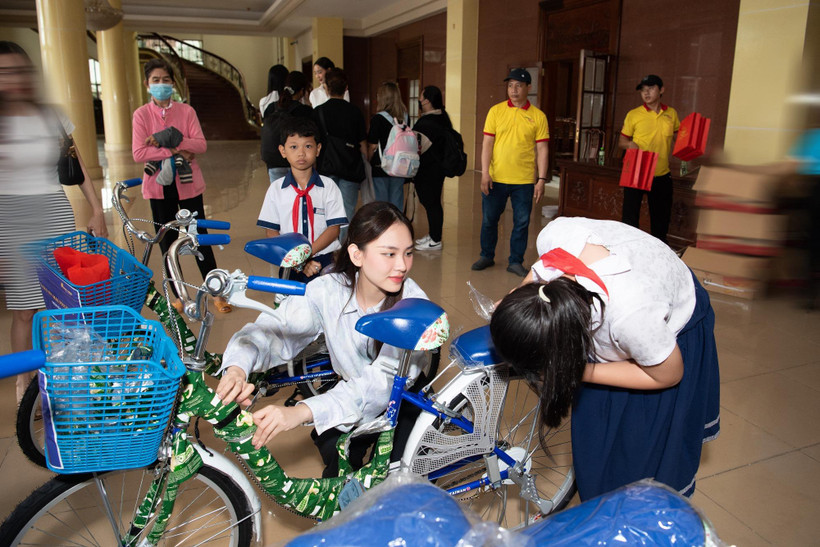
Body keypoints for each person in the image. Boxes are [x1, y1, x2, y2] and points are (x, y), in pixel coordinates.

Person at [489, 216, 720, 502]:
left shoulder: (632, 317)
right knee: (597, 438)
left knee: (635, 457)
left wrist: (578, 371)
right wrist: (517, 305)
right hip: (632, 295)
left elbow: (667, 374)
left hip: (662, 334)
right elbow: (538, 279)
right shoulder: (554, 236)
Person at [217, 201, 433, 477]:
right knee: (340, 473)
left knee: (402, 479)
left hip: (402, 399)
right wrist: (237, 366)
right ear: (356, 255)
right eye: (389, 254)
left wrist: (303, 410)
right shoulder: (329, 291)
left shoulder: (413, 309)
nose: (402, 265)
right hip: (353, 395)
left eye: (408, 253)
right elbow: (277, 329)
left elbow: (379, 386)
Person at [0, 41, 108, 403]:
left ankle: (64, 377)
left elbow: (76, 169)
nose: (10, 80)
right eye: (2, 73)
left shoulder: (51, 116)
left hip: (53, 211)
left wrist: (96, 209)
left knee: (61, 303)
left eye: (16, 71)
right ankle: (23, 382)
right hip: (10, 215)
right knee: (23, 309)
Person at [132, 58, 231, 313]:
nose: (161, 85)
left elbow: (200, 145)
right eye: (156, 80)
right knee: (167, 243)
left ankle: (217, 291)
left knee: (199, 239)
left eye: (166, 80)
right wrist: (178, 150)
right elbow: (138, 153)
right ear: (147, 84)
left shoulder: (186, 112)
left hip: (188, 186)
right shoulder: (141, 115)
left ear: (173, 84)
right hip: (158, 187)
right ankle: (178, 296)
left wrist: (169, 144)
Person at [472, 68, 549, 277]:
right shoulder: (496, 111)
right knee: (489, 219)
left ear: (529, 88)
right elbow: (487, 144)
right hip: (496, 178)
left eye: (518, 85)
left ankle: (515, 261)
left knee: (522, 222)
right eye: (510, 85)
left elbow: (542, 149)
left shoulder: (538, 116)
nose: (513, 90)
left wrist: (541, 179)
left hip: (523, 180)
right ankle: (486, 255)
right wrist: (484, 173)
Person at [257, 117, 347, 283]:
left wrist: (306, 256)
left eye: (308, 146)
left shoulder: (329, 187)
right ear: (283, 151)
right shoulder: (276, 190)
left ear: (318, 149)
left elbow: (333, 229)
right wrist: (298, 261)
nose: (301, 153)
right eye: (293, 146)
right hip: (290, 263)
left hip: (327, 260)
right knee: (292, 306)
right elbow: (271, 232)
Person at [618, 74, 680, 244]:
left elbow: (678, 138)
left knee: (661, 218)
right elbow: (621, 141)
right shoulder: (634, 114)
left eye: (651, 89)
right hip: (637, 170)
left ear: (661, 90)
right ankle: (628, 247)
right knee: (630, 217)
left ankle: (659, 251)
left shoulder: (671, 114)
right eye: (643, 90)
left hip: (661, 173)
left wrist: (687, 152)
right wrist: (629, 144)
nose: (646, 93)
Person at [314, 68, 367, 242]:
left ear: (327, 88)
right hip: (350, 168)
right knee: (347, 210)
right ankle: (342, 248)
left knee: (325, 210)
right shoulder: (355, 112)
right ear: (346, 88)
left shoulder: (318, 112)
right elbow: (362, 144)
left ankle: (327, 247)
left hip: (326, 167)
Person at [412, 85, 452, 252]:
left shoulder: (427, 122)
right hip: (438, 169)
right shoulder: (443, 117)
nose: (420, 100)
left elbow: (415, 145)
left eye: (421, 97)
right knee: (433, 202)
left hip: (429, 170)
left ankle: (435, 239)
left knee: (432, 203)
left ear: (427, 100)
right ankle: (433, 235)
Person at [261, 70, 315, 183]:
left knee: (280, 196)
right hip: (298, 162)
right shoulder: (305, 111)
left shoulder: (271, 108)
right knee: (298, 197)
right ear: (302, 91)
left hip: (274, 163)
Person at [366, 81, 408, 211]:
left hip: (381, 164)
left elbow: (373, 145)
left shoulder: (378, 119)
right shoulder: (404, 117)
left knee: (381, 202)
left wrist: (367, 160)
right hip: (401, 163)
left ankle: (384, 227)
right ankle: (397, 226)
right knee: (397, 199)